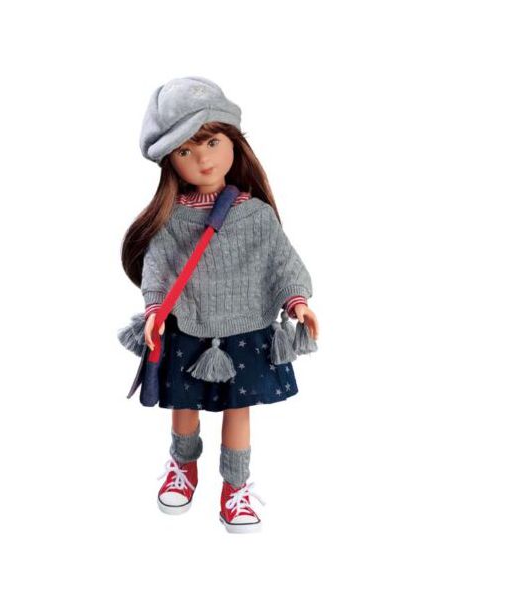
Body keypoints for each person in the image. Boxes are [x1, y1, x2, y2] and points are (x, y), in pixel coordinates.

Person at [119, 76, 319, 533]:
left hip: (243, 329)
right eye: (186, 151)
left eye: (212, 142)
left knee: (237, 411)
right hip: (188, 324)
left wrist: (297, 303)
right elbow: (158, 268)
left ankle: (236, 488)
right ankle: (183, 466)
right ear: (170, 162)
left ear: (234, 142)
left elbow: (282, 261)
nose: (203, 158)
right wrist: (154, 310)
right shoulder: (171, 218)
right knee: (183, 407)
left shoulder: (257, 215)